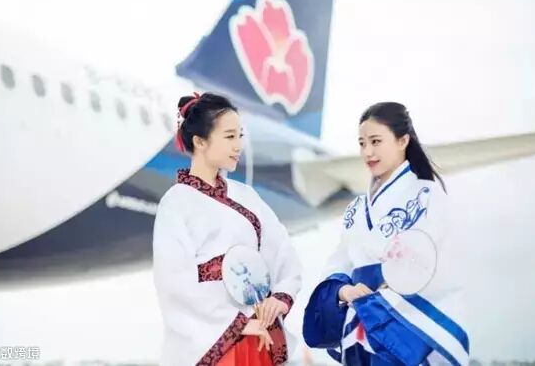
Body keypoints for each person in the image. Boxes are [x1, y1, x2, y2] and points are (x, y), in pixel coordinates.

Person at [302, 102, 469, 365]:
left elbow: (432, 265)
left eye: (376, 141)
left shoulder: (426, 195)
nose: (367, 151)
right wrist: (344, 291)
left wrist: (380, 299)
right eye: (362, 143)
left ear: (403, 140)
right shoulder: (356, 208)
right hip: (360, 325)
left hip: (406, 329)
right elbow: (339, 263)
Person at [153, 92, 302, 365]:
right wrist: (237, 324)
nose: (238, 145)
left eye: (240, 136)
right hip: (213, 344)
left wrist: (281, 296)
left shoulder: (247, 196)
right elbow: (174, 282)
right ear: (200, 141)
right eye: (229, 136)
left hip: (259, 335)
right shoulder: (175, 203)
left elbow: (282, 250)